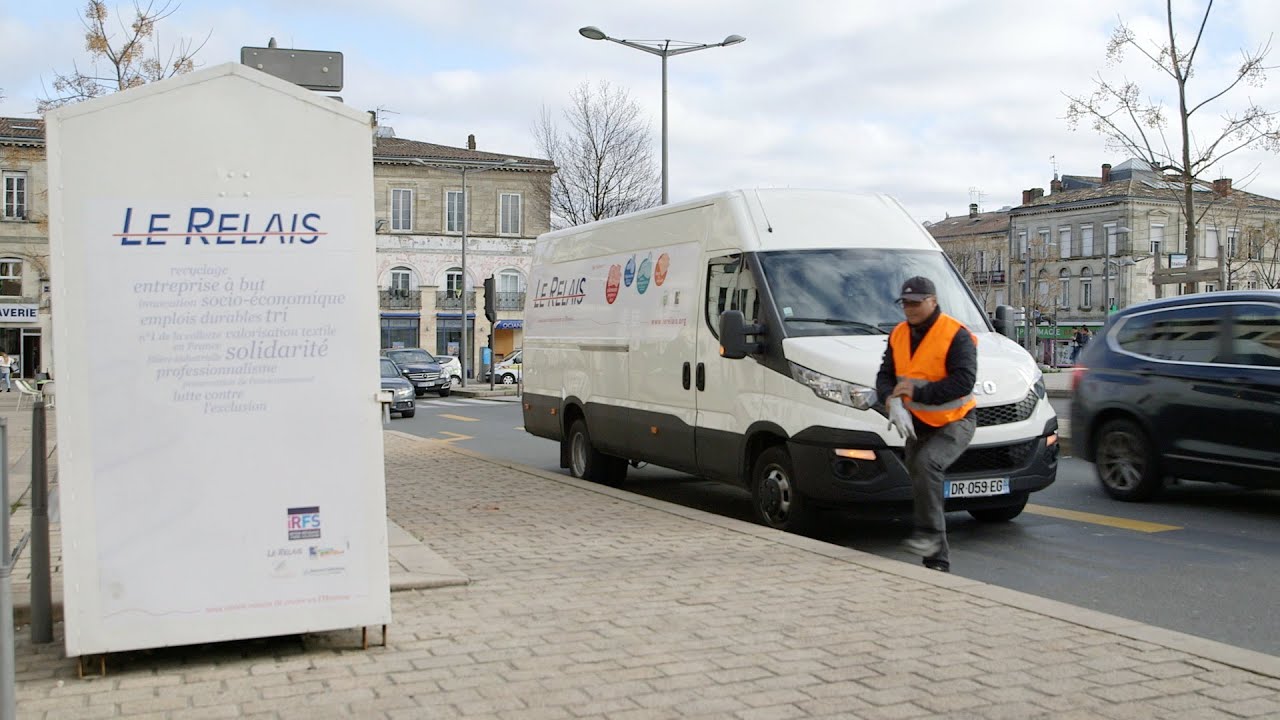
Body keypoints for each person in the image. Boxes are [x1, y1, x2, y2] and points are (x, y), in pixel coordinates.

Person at [876, 276, 978, 573]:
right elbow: (885, 375)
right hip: (917, 423)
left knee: (928, 465)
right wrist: (890, 401)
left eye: (916, 303)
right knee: (920, 476)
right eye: (905, 303)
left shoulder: (955, 334)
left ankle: (934, 550)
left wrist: (916, 393)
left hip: (955, 420)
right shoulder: (898, 334)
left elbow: (964, 381)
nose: (909, 308)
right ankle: (933, 557)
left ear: (932, 301)